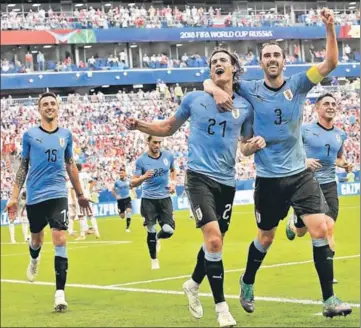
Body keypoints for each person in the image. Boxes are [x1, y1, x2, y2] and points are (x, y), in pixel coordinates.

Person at [203, 8, 352, 318]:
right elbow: (213, 81)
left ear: (284, 61)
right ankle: (247, 280)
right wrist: (214, 90)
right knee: (266, 237)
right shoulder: (249, 89)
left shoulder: (298, 85)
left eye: (276, 54)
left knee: (322, 228)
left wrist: (330, 27)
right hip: (269, 180)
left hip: (300, 174)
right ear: (261, 63)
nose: (272, 59)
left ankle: (329, 299)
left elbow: (331, 63)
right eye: (266, 55)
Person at [126, 49, 260, 328]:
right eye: (213, 62)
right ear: (209, 71)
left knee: (216, 242)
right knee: (213, 240)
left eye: (223, 60)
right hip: (198, 178)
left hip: (227, 181)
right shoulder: (194, 99)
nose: (217, 64)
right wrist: (139, 125)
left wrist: (253, 146)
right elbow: (167, 127)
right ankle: (222, 308)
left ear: (234, 68)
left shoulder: (245, 106)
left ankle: (193, 283)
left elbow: (245, 145)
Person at [5, 92, 92, 312]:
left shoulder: (66, 135)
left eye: (53, 103)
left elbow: (71, 164)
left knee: (60, 238)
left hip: (58, 194)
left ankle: (60, 294)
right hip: (35, 196)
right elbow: (23, 166)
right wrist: (14, 197)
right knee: (36, 240)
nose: (49, 107)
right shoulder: (30, 135)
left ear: (58, 107)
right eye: (45, 104)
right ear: (39, 109)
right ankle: (34, 259)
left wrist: (80, 194)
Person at [285, 93, 353, 283]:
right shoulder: (304, 130)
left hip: (329, 185)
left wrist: (344, 163)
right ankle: (294, 223)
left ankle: (328, 274)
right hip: (306, 184)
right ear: (317, 108)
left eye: (333, 103)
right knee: (300, 233)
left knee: (328, 227)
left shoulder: (340, 134)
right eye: (326, 104)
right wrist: (304, 161)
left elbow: (337, 157)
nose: (331, 106)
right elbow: (289, 152)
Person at [130, 136, 177, 270]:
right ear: (148, 143)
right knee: (150, 229)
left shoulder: (168, 156)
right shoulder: (142, 161)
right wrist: (144, 177)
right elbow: (133, 182)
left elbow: (173, 170)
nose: (157, 145)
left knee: (169, 230)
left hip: (165, 198)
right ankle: (154, 259)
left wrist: (173, 183)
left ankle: (157, 237)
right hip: (149, 200)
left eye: (159, 142)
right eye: (155, 142)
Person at [75, 163, 100, 240]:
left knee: (81, 215)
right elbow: (92, 182)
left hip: (80, 196)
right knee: (91, 215)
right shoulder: (85, 174)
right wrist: (88, 190)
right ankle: (97, 232)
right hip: (87, 196)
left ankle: (82, 235)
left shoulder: (76, 176)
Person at [112, 167, 134, 232]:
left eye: (122, 173)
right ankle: (120, 211)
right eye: (120, 173)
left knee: (129, 211)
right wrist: (116, 196)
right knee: (122, 216)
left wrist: (134, 193)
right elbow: (112, 190)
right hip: (120, 200)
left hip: (127, 198)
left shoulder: (128, 181)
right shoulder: (117, 182)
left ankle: (127, 228)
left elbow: (131, 187)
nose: (121, 174)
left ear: (125, 173)